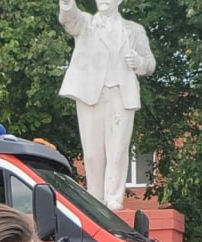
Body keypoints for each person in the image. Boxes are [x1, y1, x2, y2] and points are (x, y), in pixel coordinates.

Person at [58, 0, 156, 210]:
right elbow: (70, 19)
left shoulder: (134, 30)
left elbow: (150, 63)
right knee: (92, 151)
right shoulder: (86, 23)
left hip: (122, 93)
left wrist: (138, 62)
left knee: (118, 149)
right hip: (91, 93)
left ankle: (113, 197)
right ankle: (95, 196)